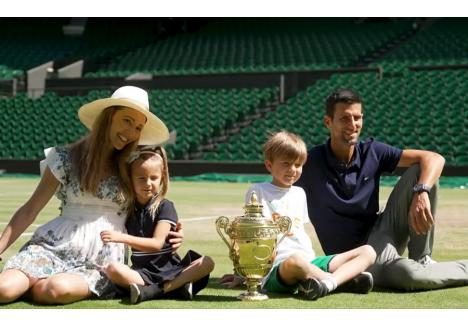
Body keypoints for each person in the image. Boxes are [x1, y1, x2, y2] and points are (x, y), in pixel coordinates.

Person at [0, 85, 184, 304]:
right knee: (3, 289)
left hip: (101, 257)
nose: (131, 132)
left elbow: (151, 206)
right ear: (109, 116)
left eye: (137, 127)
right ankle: (29, 280)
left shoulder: (131, 165)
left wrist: (171, 234)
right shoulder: (63, 158)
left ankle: (38, 284)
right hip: (53, 244)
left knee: (52, 291)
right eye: (127, 120)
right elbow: (31, 209)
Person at [296, 88, 468, 291]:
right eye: (344, 119)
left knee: (421, 171)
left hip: (382, 232)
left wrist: (422, 192)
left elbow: (435, 158)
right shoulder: (310, 163)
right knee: (408, 275)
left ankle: (422, 258)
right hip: (353, 259)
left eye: (357, 118)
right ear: (328, 122)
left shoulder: (372, 151)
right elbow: (280, 192)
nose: (353, 125)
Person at [223, 131, 376, 300]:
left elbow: (300, 231)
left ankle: (326, 283)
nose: (293, 170)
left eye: (298, 164)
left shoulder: (300, 193)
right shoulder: (257, 191)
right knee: (295, 261)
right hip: (279, 268)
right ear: (269, 165)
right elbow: (249, 236)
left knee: (368, 252)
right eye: (286, 164)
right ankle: (341, 281)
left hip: (309, 261)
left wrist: (315, 263)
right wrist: (242, 273)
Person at [100, 145, 214, 304]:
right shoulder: (126, 208)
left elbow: (157, 244)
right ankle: (176, 289)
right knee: (112, 269)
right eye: (141, 178)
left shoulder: (165, 206)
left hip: (171, 271)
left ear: (162, 178)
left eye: (153, 178)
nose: (147, 183)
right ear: (130, 179)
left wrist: (121, 238)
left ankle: (155, 291)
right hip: (142, 273)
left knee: (207, 262)